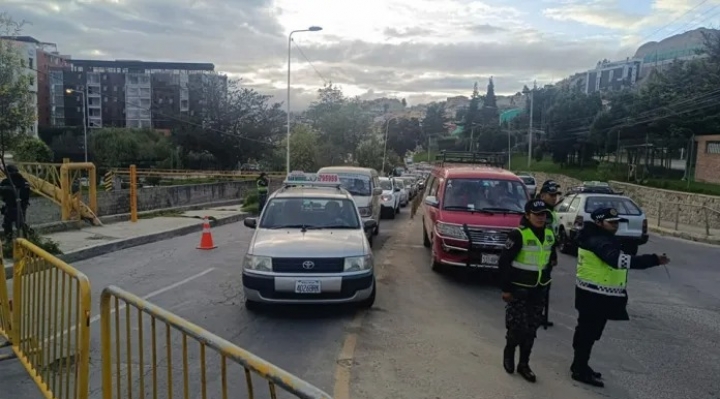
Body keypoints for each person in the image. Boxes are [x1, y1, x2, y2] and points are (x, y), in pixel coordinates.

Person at [570, 207, 670, 387]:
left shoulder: (602, 238)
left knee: (589, 334)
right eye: (611, 223)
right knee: (587, 334)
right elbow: (617, 261)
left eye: (617, 223)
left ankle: (580, 365)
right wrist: (653, 260)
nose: (616, 226)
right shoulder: (597, 240)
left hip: (597, 295)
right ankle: (579, 369)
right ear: (599, 223)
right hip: (593, 296)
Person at [499, 199, 556, 383]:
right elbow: (503, 262)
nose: (541, 218)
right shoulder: (518, 235)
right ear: (527, 215)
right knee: (518, 327)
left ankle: (524, 364)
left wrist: (548, 272)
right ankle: (509, 352)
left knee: (531, 329)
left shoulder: (549, 234)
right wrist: (506, 289)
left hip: (539, 289)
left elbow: (550, 258)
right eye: (537, 214)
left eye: (544, 214)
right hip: (519, 289)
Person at [536, 180, 561, 328]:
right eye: (551, 195)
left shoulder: (550, 211)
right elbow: (545, 237)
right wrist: (552, 255)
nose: (554, 198)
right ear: (543, 195)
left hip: (547, 253)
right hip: (543, 255)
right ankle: (538, 315)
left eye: (555, 195)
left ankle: (540, 315)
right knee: (541, 286)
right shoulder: (543, 213)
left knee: (544, 286)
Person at [0, 164, 31, 241]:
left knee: (7, 225)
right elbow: (26, 195)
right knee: (21, 224)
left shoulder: (6, 182)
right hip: (22, 206)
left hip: (10, 206)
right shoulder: (24, 181)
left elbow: (2, 195)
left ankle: (9, 240)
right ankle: (26, 238)